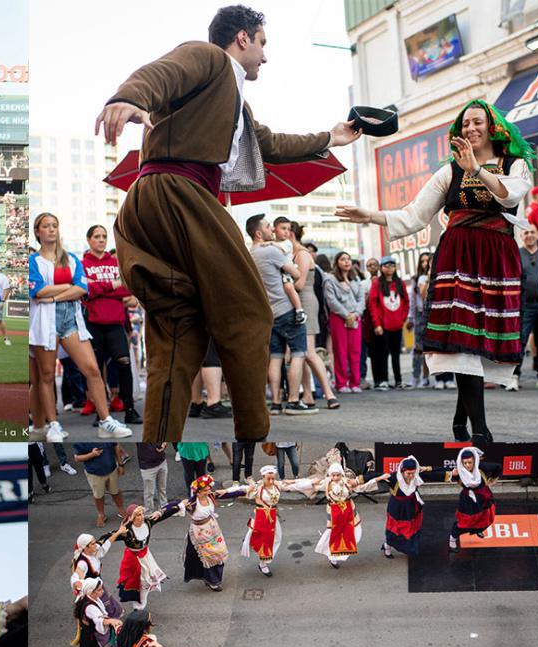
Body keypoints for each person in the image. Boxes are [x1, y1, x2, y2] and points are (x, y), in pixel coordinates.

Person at [98, 5, 361, 441]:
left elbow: (270, 143)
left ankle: (156, 445)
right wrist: (127, 98)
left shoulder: (235, 101)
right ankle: (254, 433)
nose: (265, 56)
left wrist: (330, 137)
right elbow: (163, 72)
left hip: (149, 201)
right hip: (178, 193)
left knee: (181, 329)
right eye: (262, 43)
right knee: (249, 309)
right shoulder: (209, 57)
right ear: (242, 38)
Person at [337, 99, 535, 442]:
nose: (470, 128)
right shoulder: (449, 171)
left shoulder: (515, 165)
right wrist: (369, 215)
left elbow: (509, 196)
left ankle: (460, 418)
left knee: (479, 341)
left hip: (496, 259)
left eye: (477, 122)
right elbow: (413, 215)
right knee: (462, 341)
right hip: (458, 256)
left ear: (493, 127)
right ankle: (480, 432)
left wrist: (477, 169)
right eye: (465, 123)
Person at [29, 213, 132, 441]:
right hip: (45, 321)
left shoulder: (71, 259)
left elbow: (82, 288)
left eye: (54, 225)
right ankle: (52, 424)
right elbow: (38, 290)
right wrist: (67, 286)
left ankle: (105, 421)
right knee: (46, 375)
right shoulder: (33, 261)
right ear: (37, 231)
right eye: (46, 226)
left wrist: (53, 295)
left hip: (70, 319)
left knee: (92, 369)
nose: (51, 229)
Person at [247, 215, 316, 416]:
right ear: (258, 233)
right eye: (268, 226)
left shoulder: (251, 253)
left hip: (270, 313)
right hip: (287, 309)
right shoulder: (270, 251)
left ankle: (276, 403)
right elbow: (296, 273)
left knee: (275, 357)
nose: (271, 229)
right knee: (298, 353)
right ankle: (293, 400)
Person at [82, 224, 142, 424]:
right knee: (96, 369)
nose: (101, 240)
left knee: (124, 363)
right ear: (89, 240)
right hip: (93, 324)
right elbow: (86, 291)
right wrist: (112, 285)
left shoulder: (116, 263)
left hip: (116, 323)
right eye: (97, 236)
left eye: (104, 236)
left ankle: (129, 409)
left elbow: (126, 290)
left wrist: (99, 287)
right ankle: (101, 413)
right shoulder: (82, 264)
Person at [291, 222, 340, 409]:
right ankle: (308, 395)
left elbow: (300, 284)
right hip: (296, 304)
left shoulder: (302, 254)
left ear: (291, 234)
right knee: (300, 352)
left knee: (309, 352)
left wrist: (282, 282)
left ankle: (329, 393)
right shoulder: (290, 253)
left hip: (306, 303)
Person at [306, 462, 384, 569]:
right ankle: (331, 555)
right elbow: (308, 484)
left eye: (338, 475)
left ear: (341, 474)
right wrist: (288, 484)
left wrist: (378, 479)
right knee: (332, 533)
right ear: (330, 475)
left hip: (348, 511)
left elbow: (362, 487)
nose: (335, 477)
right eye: (333, 475)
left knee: (356, 531)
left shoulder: (347, 482)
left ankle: (342, 553)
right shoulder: (326, 483)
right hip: (334, 512)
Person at [178, 474, 246, 591]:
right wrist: (160, 513)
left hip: (213, 528)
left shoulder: (211, 496)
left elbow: (229, 493)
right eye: (205, 490)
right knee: (209, 555)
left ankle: (212, 578)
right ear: (198, 492)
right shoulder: (192, 503)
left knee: (220, 552)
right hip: (199, 532)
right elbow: (174, 507)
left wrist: (245, 491)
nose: (208, 492)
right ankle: (212, 581)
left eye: (209, 489)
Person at [110, 503, 180, 609]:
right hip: (132, 559)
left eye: (143, 513)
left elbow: (167, 512)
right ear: (132, 517)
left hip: (145, 556)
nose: (142, 516)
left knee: (145, 581)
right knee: (138, 581)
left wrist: (178, 506)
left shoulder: (147, 522)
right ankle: (139, 606)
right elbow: (108, 537)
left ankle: (140, 604)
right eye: (138, 515)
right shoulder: (126, 530)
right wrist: (98, 544)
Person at [511, 227, 538, 390]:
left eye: (532, 232)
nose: (530, 235)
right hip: (524, 305)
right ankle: (514, 376)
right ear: (521, 236)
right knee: (520, 340)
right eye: (526, 233)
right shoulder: (516, 254)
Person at [238, 465, 296, 576]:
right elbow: (240, 491)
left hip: (272, 516)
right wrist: (222, 492)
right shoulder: (257, 487)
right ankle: (263, 563)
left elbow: (294, 486)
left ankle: (264, 557)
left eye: (273, 478)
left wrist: (307, 482)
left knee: (277, 537)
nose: (271, 481)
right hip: (260, 516)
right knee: (263, 539)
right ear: (263, 477)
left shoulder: (277, 485)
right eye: (268, 478)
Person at [379, 456, 441, 558]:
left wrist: (452, 473)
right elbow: (373, 477)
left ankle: (408, 547)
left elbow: (435, 474)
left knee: (411, 529)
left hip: (411, 506)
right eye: (408, 473)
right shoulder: (393, 477)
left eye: (413, 473)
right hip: (397, 508)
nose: (411, 476)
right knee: (395, 530)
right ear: (402, 471)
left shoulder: (416, 476)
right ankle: (387, 546)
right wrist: (357, 482)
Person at [367, 256, 410, 389]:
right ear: (381, 268)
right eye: (386, 265)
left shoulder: (400, 283)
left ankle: (398, 380)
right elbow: (373, 304)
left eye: (392, 265)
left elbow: (406, 302)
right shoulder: (377, 283)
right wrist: (377, 324)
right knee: (383, 353)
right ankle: (384, 380)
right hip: (383, 325)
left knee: (396, 354)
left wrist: (402, 319)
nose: (389, 268)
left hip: (397, 325)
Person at [447, 446, 500, 553]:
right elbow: (442, 474)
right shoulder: (458, 472)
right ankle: (452, 538)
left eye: (470, 462)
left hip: (484, 498)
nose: (467, 465)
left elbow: (498, 467)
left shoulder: (482, 468)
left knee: (487, 518)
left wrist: (492, 479)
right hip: (469, 501)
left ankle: (478, 529)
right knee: (465, 523)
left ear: (474, 461)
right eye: (465, 463)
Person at [326, 250, 366, 392]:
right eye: (343, 259)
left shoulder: (356, 279)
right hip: (338, 317)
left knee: (355, 351)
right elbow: (331, 300)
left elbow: (361, 299)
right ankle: (341, 383)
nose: (347, 261)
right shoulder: (330, 279)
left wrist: (356, 314)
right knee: (340, 351)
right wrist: (346, 314)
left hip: (355, 317)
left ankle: (355, 383)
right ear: (337, 262)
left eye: (348, 259)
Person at [73, 442, 126, 526]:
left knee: (115, 491)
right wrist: (92, 454)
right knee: (98, 495)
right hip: (94, 473)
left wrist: (120, 464)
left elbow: (116, 446)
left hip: (111, 469)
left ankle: (121, 509)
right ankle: (101, 514)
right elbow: (77, 458)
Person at [411, 251, 433, 387]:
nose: (425, 264)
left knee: (429, 349)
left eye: (427, 261)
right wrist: (411, 318)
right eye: (423, 261)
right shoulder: (419, 279)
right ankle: (415, 376)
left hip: (434, 314)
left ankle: (426, 377)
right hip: (420, 314)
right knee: (418, 348)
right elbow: (416, 299)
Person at [138, 443, 169, 511]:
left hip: (162, 461)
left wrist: (165, 443)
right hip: (147, 466)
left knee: (162, 489)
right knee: (149, 493)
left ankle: (164, 508)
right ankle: (149, 513)